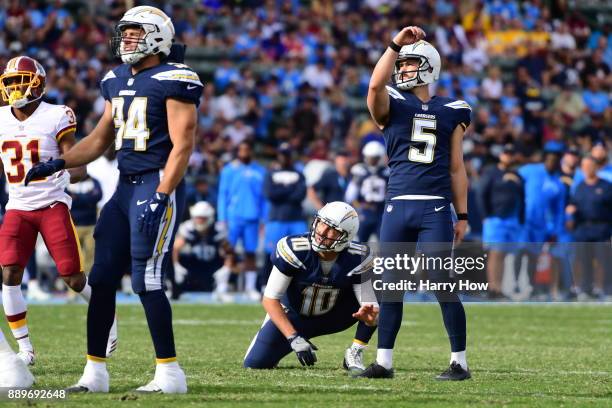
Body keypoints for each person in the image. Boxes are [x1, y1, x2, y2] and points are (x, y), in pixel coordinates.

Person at [25, 6, 203, 393]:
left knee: (148, 279)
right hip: (124, 187)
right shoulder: (116, 78)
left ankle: (170, 374)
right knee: (102, 277)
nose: (125, 40)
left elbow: (182, 147)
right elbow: (98, 139)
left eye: (135, 33)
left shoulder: (175, 78)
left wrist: (162, 195)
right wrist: (57, 162)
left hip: (155, 183)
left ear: (157, 36)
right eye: (124, 33)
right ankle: (94, 374)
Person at [360, 27, 471, 380]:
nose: (402, 69)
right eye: (401, 63)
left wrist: (463, 213)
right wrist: (394, 43)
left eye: (409, 63)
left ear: (428, 67)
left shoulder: (453, 109)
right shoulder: (391, 101)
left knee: (442, 280)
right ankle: (384, 361)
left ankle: (460, 362)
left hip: (435, 206)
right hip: (397, 205)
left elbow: (457, 166)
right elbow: (375, 86)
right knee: (390, 284)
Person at [0, 56, 116, 366]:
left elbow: (76, 163)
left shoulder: (57, 115)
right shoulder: (0, 118)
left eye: (21, 80)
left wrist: (60, 171)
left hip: (51, 203)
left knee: (74, 279)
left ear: (38, 82)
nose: (15, 87)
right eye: (10, 81)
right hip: (17, 206)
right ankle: (26, 349)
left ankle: (108, 315)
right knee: (9, 274)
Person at [244, 202, 379, 375]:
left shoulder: (359, 257)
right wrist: (293, 337)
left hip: (336, 317)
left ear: (346, 236)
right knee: (255, 363)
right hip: (295, 315)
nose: (322, 232)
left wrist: (372, 319)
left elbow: (369, 306)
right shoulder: (294, 249)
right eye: (322, 223)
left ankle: (355, 351)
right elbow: (270, 299)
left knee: (379, 299)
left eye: (332, 229)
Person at [217, 141, 266, 300]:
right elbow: (222, 195)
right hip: (233, 218)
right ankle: (222, 287)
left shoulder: (260, 171)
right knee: (229, 252)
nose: (244, 152)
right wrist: (222, 218)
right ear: (237, 151)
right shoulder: (229, 170)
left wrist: (263, 219)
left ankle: (250, 288)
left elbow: (264, 198)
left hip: (252, 218)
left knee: (250, 253)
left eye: (247, 149)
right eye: (242, 149)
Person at [479, 144, 524, 297]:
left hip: (512, 220)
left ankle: (499, 288)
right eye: (506, 153)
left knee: (503, 254)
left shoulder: (517, 175)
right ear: (501, 155)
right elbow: (481, 194)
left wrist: (521, 219)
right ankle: (492, 287)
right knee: (495, 253)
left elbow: (522, 198)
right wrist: (485, 216)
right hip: (495, 219)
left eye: (511, 154)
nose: (508, 156)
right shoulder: (491, 173)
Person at [566, 156, 612, 299]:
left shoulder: (606, 186)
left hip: (602, 228)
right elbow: (572, 204)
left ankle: (607, 290)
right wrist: (570, 215)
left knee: (604, 261)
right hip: (583, 228)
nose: (587, 169)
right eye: (584, 166)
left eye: (590, 166)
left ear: (596, 167)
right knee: (584, 260)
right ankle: (586, 289)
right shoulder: (579, 186)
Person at [262, 143, 307, 288]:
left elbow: (300, 195)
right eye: (282, 154)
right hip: (276, 219)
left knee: (302, 254)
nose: (284, 157)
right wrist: (290, 189)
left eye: (287, 154)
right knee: (271, 254)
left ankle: (298, 285)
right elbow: (270, 194)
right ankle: (266, 285)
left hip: (296, 219)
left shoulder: (299, 174)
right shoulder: (271, 173)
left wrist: (281, 190)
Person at [172, 201, 225, 298]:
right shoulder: (187, 228)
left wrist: (226, 269)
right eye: (198, 218)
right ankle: (172, 287)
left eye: (202, 218)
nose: (199, 221)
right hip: (192, 267)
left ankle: (224, 287)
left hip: (212, 267)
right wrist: (176, 266)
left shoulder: (218, 229)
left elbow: (229, 252)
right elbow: (175, 248)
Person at [345, 141, 389, 243]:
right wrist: (358, 207)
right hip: (364, 211)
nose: (372, 161)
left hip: (381, 211)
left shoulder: (386, 172)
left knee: (384, 243)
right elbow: (350, 196)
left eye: (375, 158)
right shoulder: (359, 170)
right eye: (371, 158)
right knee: (359, 243)